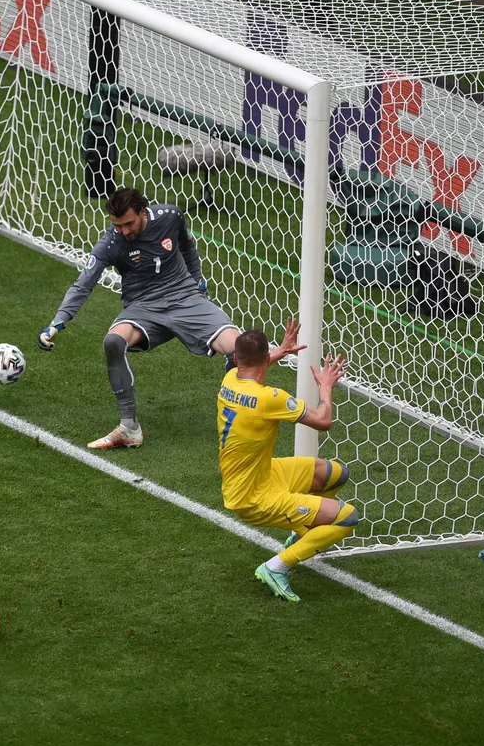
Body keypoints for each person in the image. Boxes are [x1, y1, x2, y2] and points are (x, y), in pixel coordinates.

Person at [38, 186, 242, 450]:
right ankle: (129, 429)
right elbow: (83, 285)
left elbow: (188, 247)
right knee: (113, 342)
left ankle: (237, 424)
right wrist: (58, 322)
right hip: (143, 309)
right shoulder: (110, 243)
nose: (123, 231)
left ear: (143, 212)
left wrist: (197, 280)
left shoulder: (171, 216)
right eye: (117, 225)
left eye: (128, 223)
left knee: (238, 348)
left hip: (185, 299)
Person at [217, 320, 358, 602]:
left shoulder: (229, 379)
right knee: (347, 517)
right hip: (253, 497)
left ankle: (303, 533)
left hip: (263, 473)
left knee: (334, 474)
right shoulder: (270, 398)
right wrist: (326, 387)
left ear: (236, 359)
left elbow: (255, 363)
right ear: (264, 360)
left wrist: (280, 350)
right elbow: (323, 421)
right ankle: (276, 567)